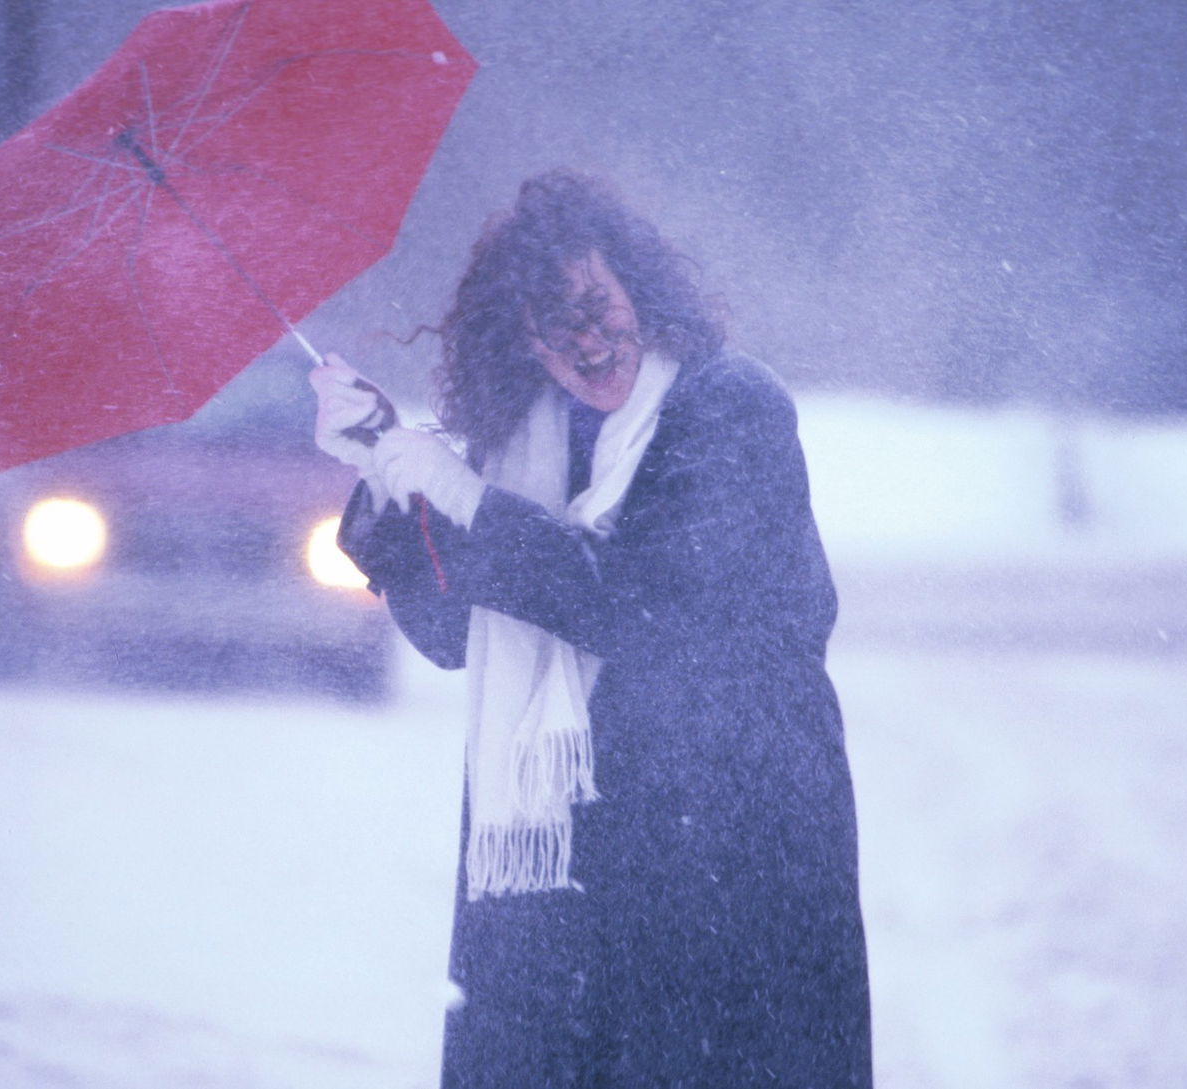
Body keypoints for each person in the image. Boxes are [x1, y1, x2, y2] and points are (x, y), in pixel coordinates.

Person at [309, 170, 871, 1088]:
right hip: (558, 865)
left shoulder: (729, 408)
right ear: (521, 337)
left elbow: (645, 605)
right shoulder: (527, 437)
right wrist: (384, 471)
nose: (583, 341)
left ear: (638, 291)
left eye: (594, 304)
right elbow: (456, 630)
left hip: (729, 847)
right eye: (548, 322)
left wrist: (466, 500)